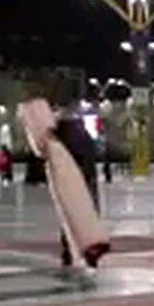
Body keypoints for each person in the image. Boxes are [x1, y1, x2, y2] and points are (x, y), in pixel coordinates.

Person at [53, 111, 101, 268]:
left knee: (69, 218)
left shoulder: (63, 140)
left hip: (72, 184)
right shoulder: (84, 138)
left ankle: (69, 250)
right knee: (86, 219)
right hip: (84, 183)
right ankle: (89, 253)